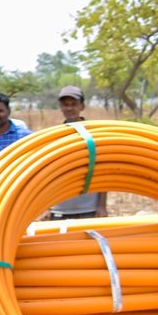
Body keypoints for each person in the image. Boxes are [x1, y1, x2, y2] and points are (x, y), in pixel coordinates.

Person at [47, 87, 108, 220]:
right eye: (65, 105)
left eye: (73, 104)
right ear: (60, 107)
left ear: (82, 106)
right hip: (60, 207)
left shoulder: (95, 135)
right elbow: (47, 173)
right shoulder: (53, 136)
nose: (69, 108)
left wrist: (102, 206)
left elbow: (102, 171)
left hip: (89, 207)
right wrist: (46, 207)